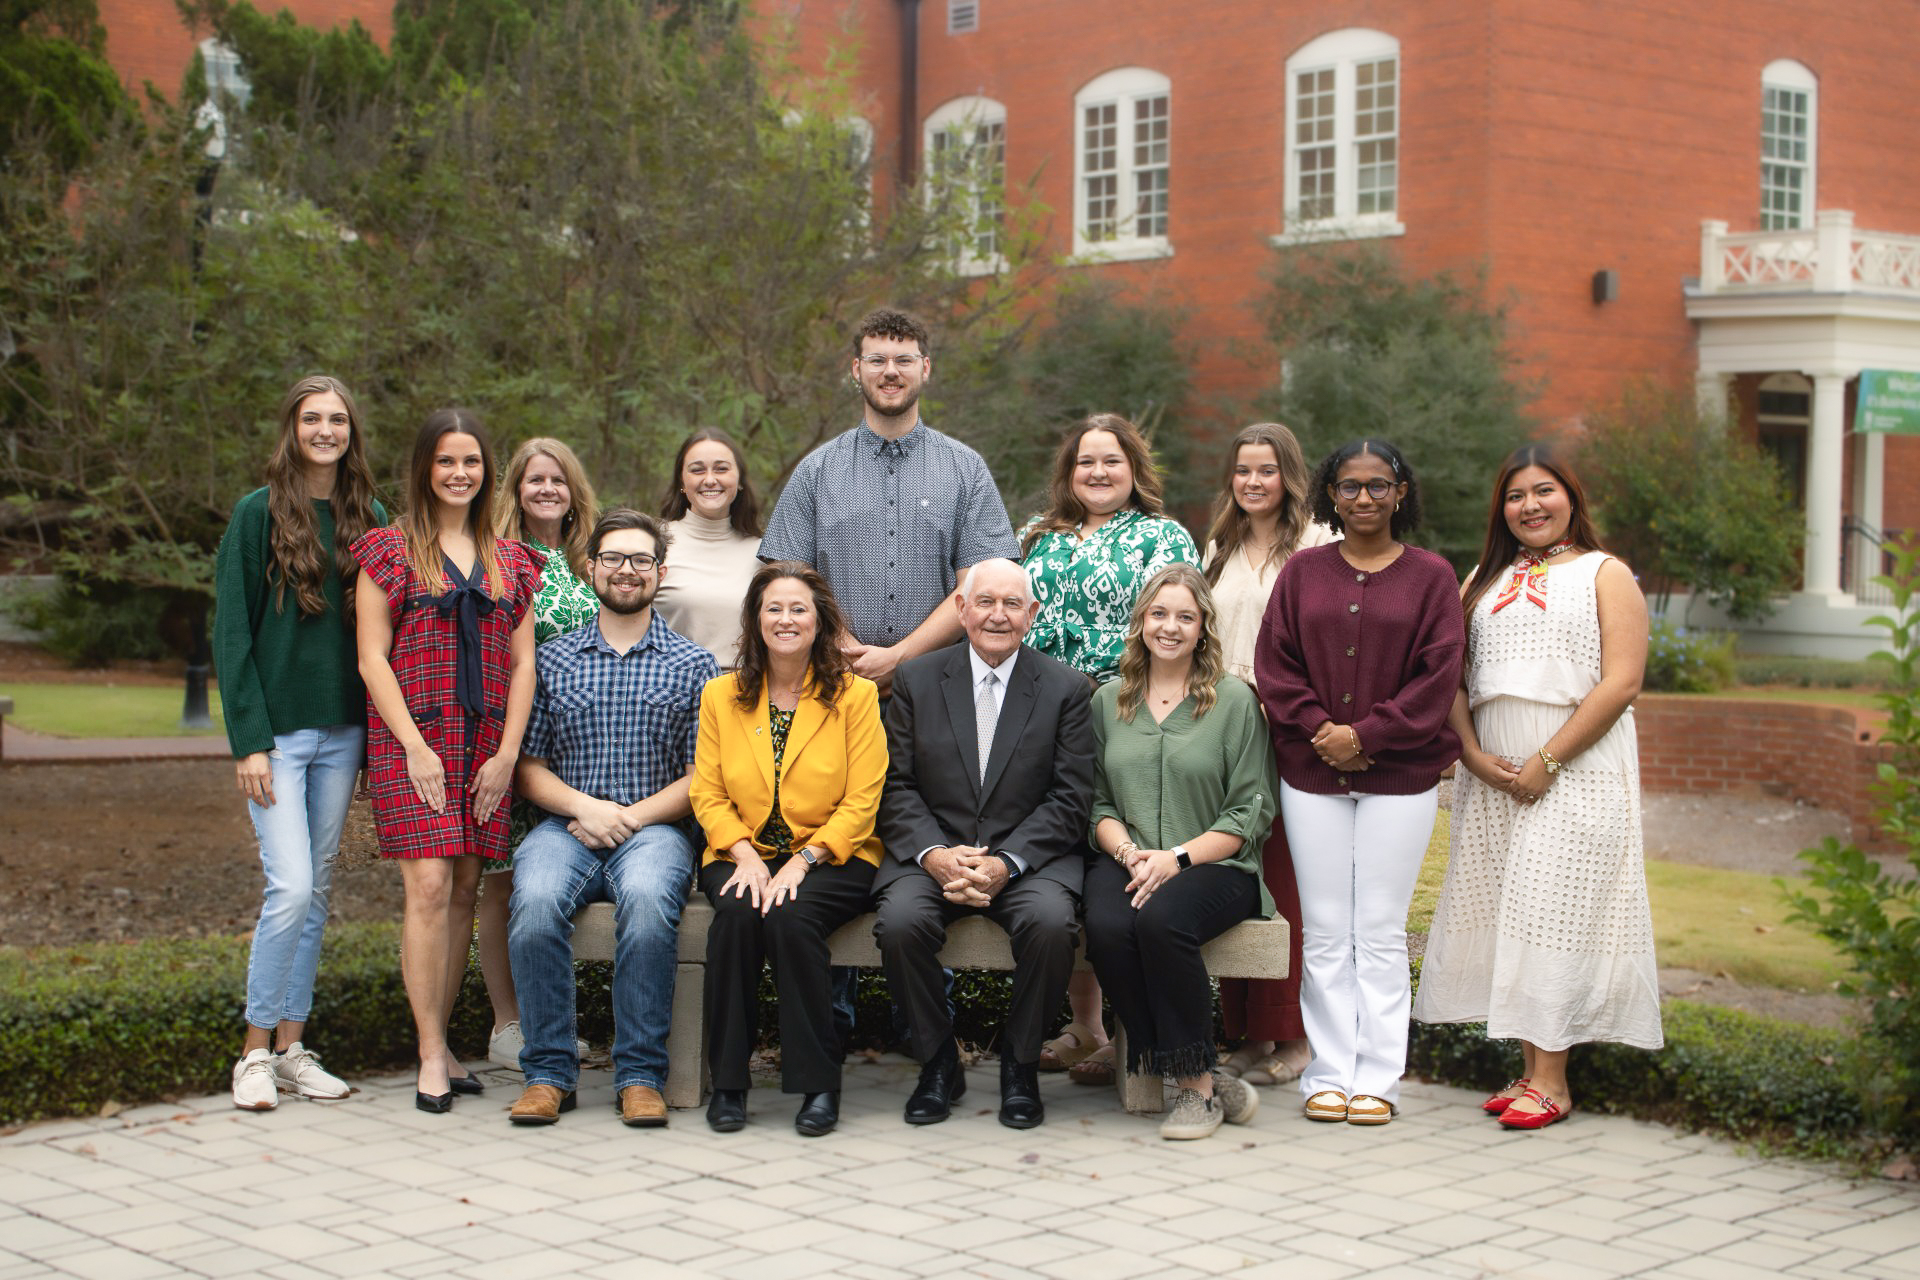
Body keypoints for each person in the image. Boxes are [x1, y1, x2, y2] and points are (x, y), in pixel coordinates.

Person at [760, 306, 1020, 1047]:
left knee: (921, 830)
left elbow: (982, 580)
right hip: (829, 688)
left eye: (904, 359)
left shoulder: (964, 468)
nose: (890, 372)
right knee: (828, 831)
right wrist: (841, 645)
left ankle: (921, 1020)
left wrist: (900, 655)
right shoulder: (818, 469)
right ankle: (833, 1021)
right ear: (856, 370)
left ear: (925, 369)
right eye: (877, 359)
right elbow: (788, 570)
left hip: (934, 689)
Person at [1413, 445, 1660, 1129]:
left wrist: (1547, 761)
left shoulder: (1605, 574)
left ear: (1571, 497)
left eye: (1544, 491)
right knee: (1511, 909)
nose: (1530, 506)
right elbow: (1452, 676)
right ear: (1502, 511)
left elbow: (1623, 681)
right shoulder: (1482, 580)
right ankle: (1528, 1069)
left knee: (1555, 907)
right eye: (1516, 496)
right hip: (1492, 772)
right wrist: (1469, 752)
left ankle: (1554, 1080)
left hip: (1577, 768)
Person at [1254, 439, 1464, 1127]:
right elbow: (1276, 665)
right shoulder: (1303, 573)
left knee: (1377, 929)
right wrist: (1324, 732)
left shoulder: (1432, 578)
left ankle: (1379, 1076)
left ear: (1402, 492)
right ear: (1330, 495)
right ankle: (1329, 1072)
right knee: (1322, 928)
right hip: (1311, 775)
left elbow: (1439, 677)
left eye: (1379, 485)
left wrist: (1365, 737)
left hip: (1400, 778)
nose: (1365, 498)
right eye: (1350, 486)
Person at [354, 410, 541, 1113]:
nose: (460, 474)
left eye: (471, 461)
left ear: (487, 470)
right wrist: (414, 747)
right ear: (424, 469)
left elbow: (524, 665)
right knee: (428, 887)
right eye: (445, 462)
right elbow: (372, 657)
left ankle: (447, 1040)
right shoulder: (390, 551)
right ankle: (429, 1049)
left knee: (466, 887)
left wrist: (507, 755)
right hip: (416, 740)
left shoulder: (515, 560)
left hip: (486, 746)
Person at [505, 509, 718, 1127]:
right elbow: (529, 766)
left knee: (650, 904)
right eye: (615, 559)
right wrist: (585, 808)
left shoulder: (694, 665)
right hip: (566, 828)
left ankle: (640, 1075)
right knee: (536, 900)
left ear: (660, 573)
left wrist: (627, 818)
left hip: (656, 832)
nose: (628, 571)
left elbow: (703, 777)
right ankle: (547, 1073)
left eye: (641, 560)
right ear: (591, 567)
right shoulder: (553, 661)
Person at [873, 558, 1095, 1129]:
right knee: (899, 924)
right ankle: (938, 1063)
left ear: (1032, 614)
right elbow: (894, 786)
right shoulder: (918, 680)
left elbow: (1070, 799)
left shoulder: (1068, 689)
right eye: (986, 602)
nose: (998, 615)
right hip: (933, 855)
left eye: (1012, 604)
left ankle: (1019, 1068)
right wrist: (936, 855)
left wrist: (1004, 863)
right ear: (961, 608)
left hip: (1030, 860)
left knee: (1050, 926)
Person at [216, 374, 384, 1111]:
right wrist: (249, 739)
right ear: (292, 427)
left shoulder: (369, 516)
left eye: (337, 419)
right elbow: (230, 633)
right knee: (288, 887)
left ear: (352, 431)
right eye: (312, 418)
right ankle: (251, 1053)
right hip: (278, 737)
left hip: (345, 730)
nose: (325, 430)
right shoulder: (257, 515)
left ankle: (291, 1047)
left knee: (315, 892)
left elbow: (385, 638)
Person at [1018, 413, 1198, 1086]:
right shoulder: (1037, 536)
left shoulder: (1163, 535)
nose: (1097, 472)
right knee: (1068, 854)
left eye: (1111, 461)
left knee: (1125, 852)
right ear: (1068, 471)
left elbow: (1180, 622)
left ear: (1134, 470)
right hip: (1044, 719)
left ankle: (1131, 1033)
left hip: (1126, 711)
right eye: (1085, 461)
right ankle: (1084, 1026)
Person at [690, 563, 886, 1137]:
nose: (786, 619)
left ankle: (818, 1084)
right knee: (734, 918)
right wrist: (745, 855)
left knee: (793, 918)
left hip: (834, 854)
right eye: (774, 608)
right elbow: (707, 790)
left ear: (820, 618)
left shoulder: (855, 695)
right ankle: (728, 1083)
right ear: (754, 619)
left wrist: (803, 862)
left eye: (798, 608)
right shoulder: (722, 695)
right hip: (740, 851)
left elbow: (864, 796)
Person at [1085, 565, 1273, 1140]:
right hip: (1128, 860)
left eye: (1185, 617)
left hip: (1217, 865)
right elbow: (1098, 804)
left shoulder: (1235, 701)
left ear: (1202, 629)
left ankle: (1194, 1090)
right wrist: (1132, 856)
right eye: (1159, 613)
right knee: (1107, 925)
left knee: (1164, 921)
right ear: (1141, 619)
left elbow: (1249, 813)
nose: (1170, 627)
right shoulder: (1108, 700)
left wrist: (1177, 859)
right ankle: (1207, 1074)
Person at [1201, 422, 1333, 1089]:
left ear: (1290, 475)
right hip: (1223, 730)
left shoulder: (1317, 543)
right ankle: (1244, 1033)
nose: (1253, 482)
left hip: (1287, 731)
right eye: (1243, 470)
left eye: (1267, 470)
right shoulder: (1218, 546)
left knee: (1284, 883)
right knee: (1235, 874)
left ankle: (1294, 1033)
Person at [482, 438, 603, 1070]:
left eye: (558, 479)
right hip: (512, 737)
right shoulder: (498, 558)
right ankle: (509, 1024)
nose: (547, 490)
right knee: (502, 883)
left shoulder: (590, 560)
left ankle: (551, 1020)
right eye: (534, 480)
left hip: (576, 748)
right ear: (516, 490)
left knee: (555, 881)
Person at [655, 427, 764, 670]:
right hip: (669, 694)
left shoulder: (764, 553)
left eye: (721, 468)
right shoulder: (652, 543)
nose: (710, 479)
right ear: (682, 482)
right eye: (697, 470)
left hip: (744, 693)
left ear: (740, 480)